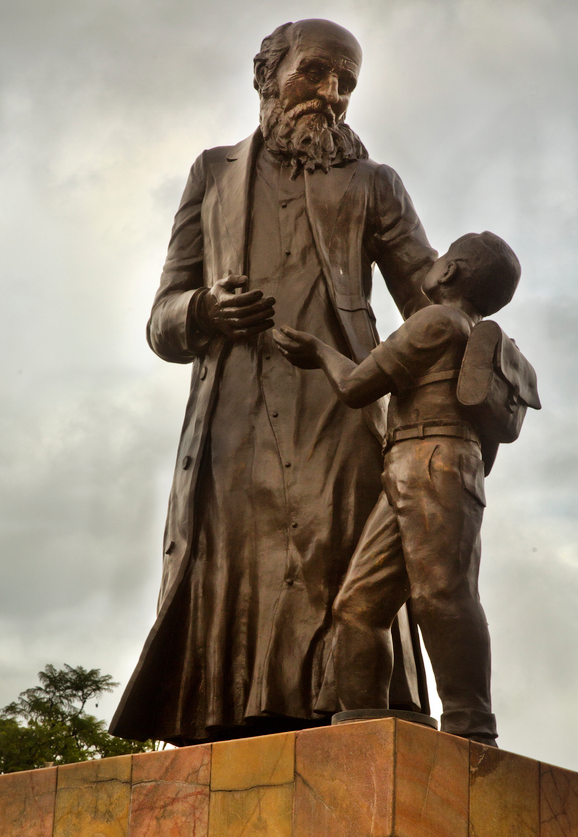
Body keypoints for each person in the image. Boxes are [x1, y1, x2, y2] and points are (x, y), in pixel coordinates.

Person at [110, 19, 437, 745]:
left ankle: (351, 724)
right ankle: (225, 724)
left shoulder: (373, 184)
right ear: (268, 73)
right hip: (232, 419)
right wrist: (203, 308)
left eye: (346, 83)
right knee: (236, 573)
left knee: (341, 567)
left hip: (341, 407)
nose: (330, 93)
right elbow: (162, 319)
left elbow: (430, 301)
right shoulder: (212, 174)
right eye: (315, 72)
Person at [274, 231, 524, 745]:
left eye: (442, 259)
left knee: (442, 594)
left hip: (432, 461)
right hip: (413, 463)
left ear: (450, 272)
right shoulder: (462, 328)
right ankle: (362, 730)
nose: (432, 264)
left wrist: (319, 351)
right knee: (359, 607)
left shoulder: (436, 321)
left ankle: (472, 728)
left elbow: (355, 386)